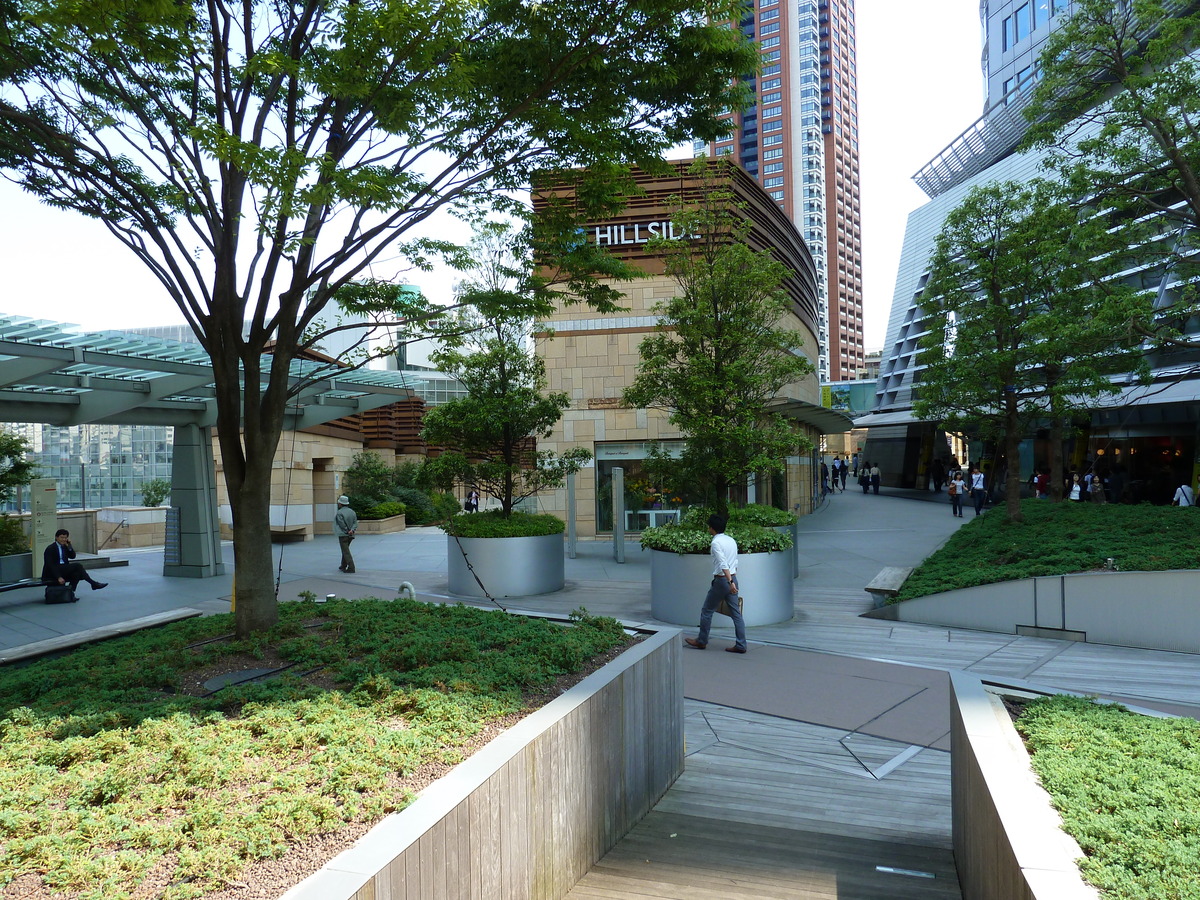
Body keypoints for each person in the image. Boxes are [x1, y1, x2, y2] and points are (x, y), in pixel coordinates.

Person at [684, 514, 747, 654]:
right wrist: (733, 581)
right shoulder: (731, 540)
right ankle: (741, 644)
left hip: (722, 580)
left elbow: (722, 562)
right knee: (736, 614)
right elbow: (734, 562)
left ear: (712, 528)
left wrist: (729, 581)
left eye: (709, 526)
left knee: (707, 611)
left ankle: (702, 641)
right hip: (733, 579)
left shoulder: (715, 543)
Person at [41, 529, 107, 594]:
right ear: (56, 537)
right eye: (61, 537)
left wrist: (69, 546)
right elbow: (50, 565)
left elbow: (72, 556)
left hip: (63, 568)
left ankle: (70, 593)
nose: (63, 539)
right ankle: (93, 583)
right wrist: (58, 577)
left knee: (77, 574)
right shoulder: (50, 548)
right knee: (78, 566)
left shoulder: (65, 546)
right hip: (52, 572)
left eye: (65, 538)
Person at [334, 495, 358, 573]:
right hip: (351, 534)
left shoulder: (339, 513)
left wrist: (347, 530)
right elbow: (355, 523)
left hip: (343, 534)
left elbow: (341, 524)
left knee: (345, 551)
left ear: (340, 504)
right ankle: (343, 565)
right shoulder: (352, 512)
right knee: (345, 549)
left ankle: (351, 567)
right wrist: (352, 530)